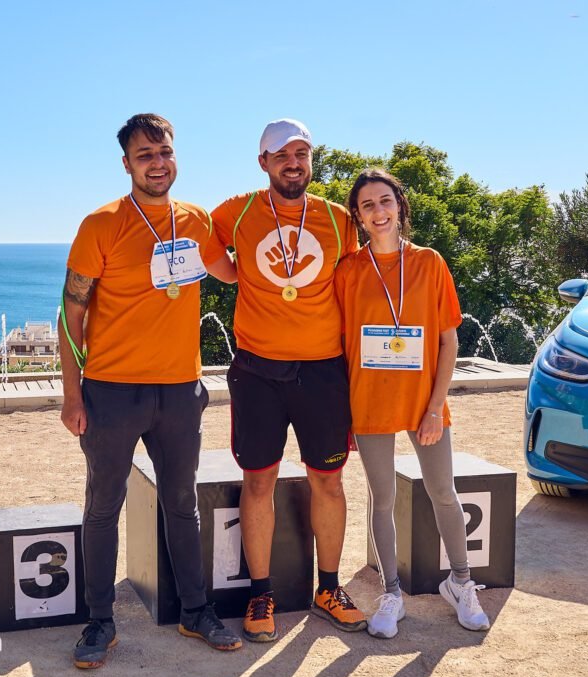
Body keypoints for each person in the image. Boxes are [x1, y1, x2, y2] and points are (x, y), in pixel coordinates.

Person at [59, 113, 241, 669]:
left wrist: (273, 237)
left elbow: (231, 273)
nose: (157, 163)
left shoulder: (197, 219)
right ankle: (99, 621)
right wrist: (71, 394)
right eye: (144, 155)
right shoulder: (102, 223)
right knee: (102, 508)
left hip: (181, 389)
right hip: (112, 391)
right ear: (127, 164)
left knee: (182, 504)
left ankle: (195, 610)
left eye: (163, 152)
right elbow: (72, 310)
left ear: (174, 154)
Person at [210, 119, 366, 643]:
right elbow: (208, 247)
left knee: (329, 480)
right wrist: (238, 276)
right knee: (259, 481)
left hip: (324, 371)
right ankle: (261, 592)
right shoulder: (237, 212)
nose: (293, 162)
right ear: (263, 163)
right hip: (257, 370)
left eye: (302, 153)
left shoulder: (339, 219)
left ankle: (328, 587)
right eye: (282, 154)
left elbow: (356, 286)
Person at [334, 168, 490, 638]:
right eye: (367, 206)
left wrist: (435, 407)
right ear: (358, 218)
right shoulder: (348, 270)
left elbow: (448, 341)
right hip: (370, 401)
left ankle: (461, 583)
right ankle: (392, 593)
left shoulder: (429, 262)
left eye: (385, 201)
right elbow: (339, 345)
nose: (378, 212)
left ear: (400, 206)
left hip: (424, 400)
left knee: (443, 490)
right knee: (381, 497)